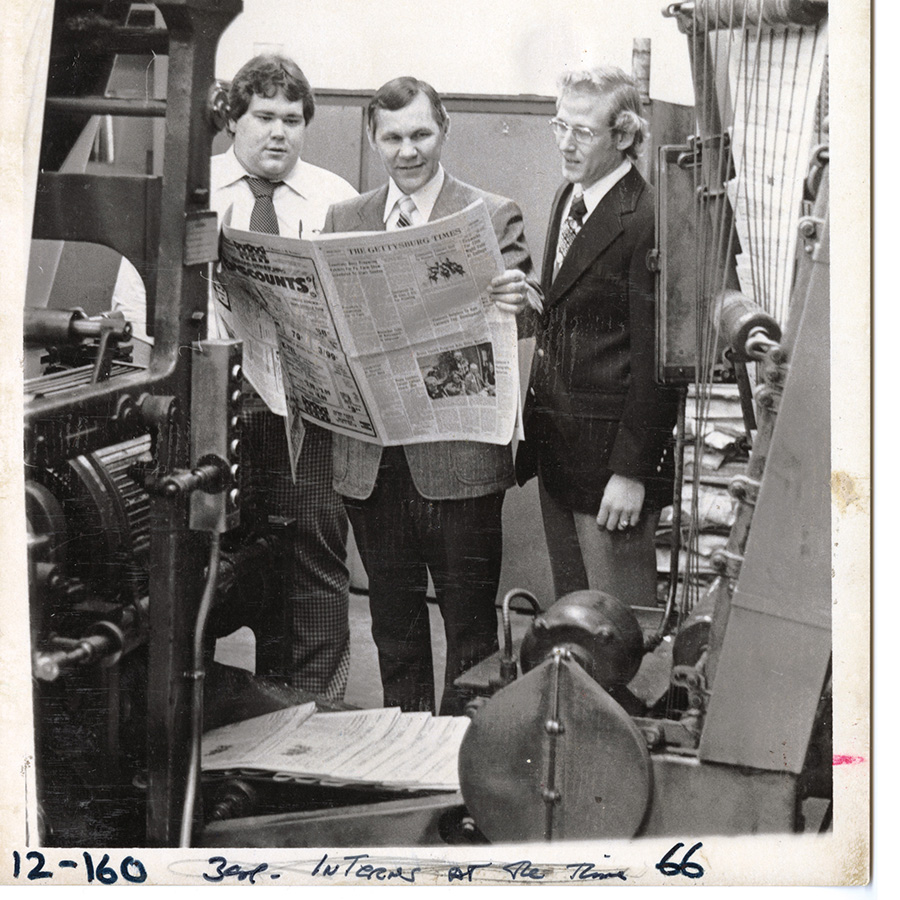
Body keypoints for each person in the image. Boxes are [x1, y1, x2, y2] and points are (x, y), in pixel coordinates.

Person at [323, 76, 541, 715]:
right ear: (373, 137)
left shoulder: (488, 213)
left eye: (420, 134)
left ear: (444, 130)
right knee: (393, 632)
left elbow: (526, 310)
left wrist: (518, 303)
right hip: (370, 464)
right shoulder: (345, 218)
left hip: (458, 467)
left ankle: (455, 769)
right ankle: (403, 755)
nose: (407, 150)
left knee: (469, 633)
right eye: (392, 137)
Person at [207, 55, 358, 700]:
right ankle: (208, 701)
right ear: (233, 119)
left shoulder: (337, 197)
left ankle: (313, 706)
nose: (279, 132)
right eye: (263, 116)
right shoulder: (195, 189)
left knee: (315, 552)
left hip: (310, 407)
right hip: (218, 401)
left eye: (292, 119)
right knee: (213, 560)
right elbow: (137, 312)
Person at [515, 66, 679, 608]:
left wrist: (632, 473)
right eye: (559, 125)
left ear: (625, 136)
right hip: (559, 452)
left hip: (613, 468)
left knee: (619, 630)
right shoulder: (572, 194)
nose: (565, 142)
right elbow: (581, 306)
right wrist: (532, 300)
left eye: (582, 131)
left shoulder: (650, 217)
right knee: (574, 622)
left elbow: (661, 359)